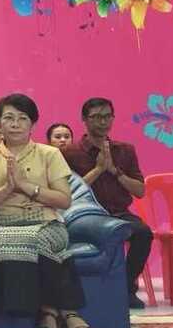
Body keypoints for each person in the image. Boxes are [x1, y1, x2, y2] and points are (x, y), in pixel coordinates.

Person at [0, 93, 92, 328]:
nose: (15, 124)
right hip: (3, 224)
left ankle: (50, 312)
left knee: (38, 240)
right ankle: (64, 311)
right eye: (9, 118)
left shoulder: (50, 154)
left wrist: (26, 186)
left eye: (22, 118)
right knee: (6, 239)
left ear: (33, 123)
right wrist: (7, 189)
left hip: (47, 222)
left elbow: (64, 200)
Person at [61, 97, 151, 309]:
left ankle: (125, 287)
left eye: (107, 116)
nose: (103, 122)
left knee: (143, 233)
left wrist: (114, 171)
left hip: (119, 213)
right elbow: (68, 193)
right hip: (87, 216)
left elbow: (140, 191)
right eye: (96, 117)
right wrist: (98, 169)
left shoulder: (125, 150)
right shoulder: (68, 153)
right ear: (84, 119)